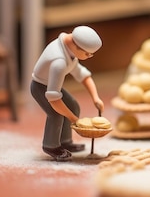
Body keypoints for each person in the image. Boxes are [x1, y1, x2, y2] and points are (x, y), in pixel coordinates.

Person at [31, 25, 104, 161]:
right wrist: (74, 120)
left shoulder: (69, 49)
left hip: (51, 86)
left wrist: (95, 97)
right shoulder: (59, 62)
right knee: (56, 114)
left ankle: (65, 141)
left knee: (73, 105)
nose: (89, 57)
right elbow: (54, 99)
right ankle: (51, 145)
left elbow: (82, 75)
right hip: (40, 86)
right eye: (88, 54)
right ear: (75, 45)